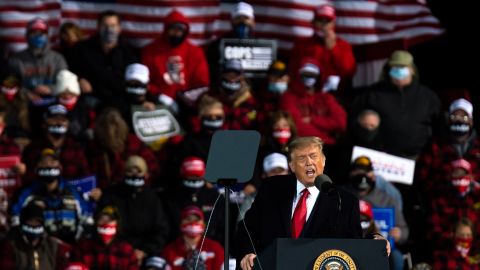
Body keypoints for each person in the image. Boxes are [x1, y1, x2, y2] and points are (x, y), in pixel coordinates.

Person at [235, 136, 389, 270]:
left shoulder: (345, 200)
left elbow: (353, 245)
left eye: (314, 156)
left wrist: (375, 241)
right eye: (302, 158)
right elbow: (246, 229)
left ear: (323, 161)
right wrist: (247, 253)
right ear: (292, 166)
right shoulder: (272, 189)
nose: (309, 162)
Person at [351, 50, 441, 159]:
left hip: (417, 159)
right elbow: (353, 121)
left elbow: (438, 127)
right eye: (395, 67)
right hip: (379, 158)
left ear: (412, 69)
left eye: (402, 67)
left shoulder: (428, 96)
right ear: (388, 69)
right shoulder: (372, 94)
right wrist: (365, 125)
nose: (398, 70)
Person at [98, 155, 170, 262]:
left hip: (146, 253)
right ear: (124, 173)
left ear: (146, 174)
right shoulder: (112, 194)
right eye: (130, 171)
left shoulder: (152, 198)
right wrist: (123, 250)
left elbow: (161, 230)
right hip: (116, 251)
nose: (134, 175)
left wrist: (145, 251)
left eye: (138, 171)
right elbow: (103, 223)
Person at [11, 148, 89, 243]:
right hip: (41, 248)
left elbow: (86, 217)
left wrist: (77, 242)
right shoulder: (26, 193)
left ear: (60, 167)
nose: (48, 165)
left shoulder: (73, 191)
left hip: (71, 246)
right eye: (43, 162)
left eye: (52, 162)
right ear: (36, 168)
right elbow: (15, 218)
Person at [141, 9, 209, 117]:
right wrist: (161, 97)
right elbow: (144, 81)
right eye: (173, 29)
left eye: (179, 30)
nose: (176, 33)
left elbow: (202, 83)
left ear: (185, 31)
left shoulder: (195, 52)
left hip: (189, 106)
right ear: (166, 29)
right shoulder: (150, 51)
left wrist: (186, 98)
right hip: (157, 103)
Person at [68, 10, 138, 107]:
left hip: (121, 100)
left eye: (113, 26)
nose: (109, 30)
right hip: (92, 100)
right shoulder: (82, 49)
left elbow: (136, 78)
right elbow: (70, 69)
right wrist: (79, 79)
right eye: (105, 26)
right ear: (98, 27)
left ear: (119, 28)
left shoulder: (129, 52)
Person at [289, 4, 356, 93]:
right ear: (313, 22)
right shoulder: (302, 44)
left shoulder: (343, 45)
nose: (323, 26)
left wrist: (334, 49)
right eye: (320, 21)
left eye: (327, 21)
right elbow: (293, 70)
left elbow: (348, 72)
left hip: (336, 96)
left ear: (333, 23)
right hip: (307, 94)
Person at [280, 58, 347, 146]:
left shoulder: (326, 98)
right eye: (305, 74)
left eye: (312, 75)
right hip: (302, 145)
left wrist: (312, 120)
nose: (309, 78)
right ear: (299, 75)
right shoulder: (288, 97)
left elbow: (340, 122)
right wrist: (322, 137)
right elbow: (295, 125)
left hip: (327, 146)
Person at [22, 104, 91, 183]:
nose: (59, 123)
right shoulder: (33, 148)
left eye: (63, 120)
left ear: (68, 124)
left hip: (70, 193)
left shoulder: (76, 148)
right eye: (54, 119)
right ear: (44, 124)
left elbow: (86, 176)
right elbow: (28, 177)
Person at [0, 203, 72, 269]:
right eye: (31, 221)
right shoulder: (11, 245)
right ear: (23, 223)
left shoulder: (53, 246)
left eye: (37, 221)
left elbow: (63, 266)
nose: (34, 225)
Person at [71, 205, 139, 269]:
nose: (106, 223)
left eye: (110, 220)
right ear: (96, 222)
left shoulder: (127, 250)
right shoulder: (83, 247)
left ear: (117, 223)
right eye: (102, 219)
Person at [161, 206, 224, 270]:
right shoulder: (169, 251)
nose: (193, 223)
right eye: (188, 219)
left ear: (204, 224)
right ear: (181, 223)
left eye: (197, 220)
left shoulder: (215, 248)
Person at [216, 59, 258, 131]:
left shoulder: (251, 101)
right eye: (228, 74)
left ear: (242, 78)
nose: (232, 78)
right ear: (222, 75)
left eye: (236, 75)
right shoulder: (213, 97)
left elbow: (252, 123)